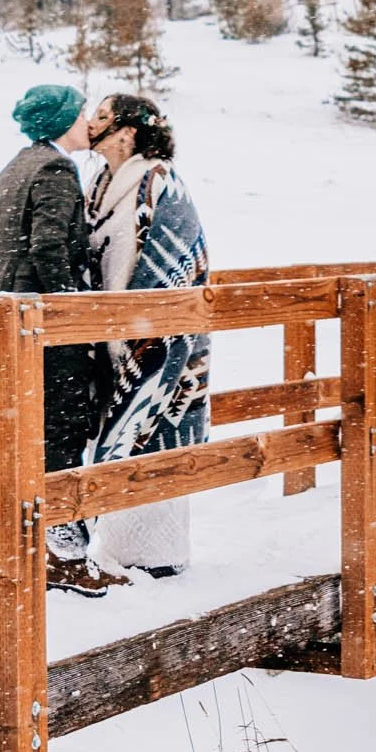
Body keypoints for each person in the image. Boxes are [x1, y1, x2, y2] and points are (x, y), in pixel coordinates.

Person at [0, 83, 128, 596]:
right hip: (42, 331)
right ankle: (62, 556)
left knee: (12, 431)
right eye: (83, 114)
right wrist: (68, 313)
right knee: (58, 430)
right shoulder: (57, 170)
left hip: (3, 324)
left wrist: (6, 293)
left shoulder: (10, 170)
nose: (89, 123)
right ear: (64, 121)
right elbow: (45, 248)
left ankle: (2, 553)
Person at [82, 93, 210, 578]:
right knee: (119, 440)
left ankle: (158, 559)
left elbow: (176, 262)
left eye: (100, 116)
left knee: (156, 434)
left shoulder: (160, 181)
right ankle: (117, 553)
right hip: (113, 337)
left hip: (159, 342)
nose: (89, 123)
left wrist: (145, 329)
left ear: (127, 132)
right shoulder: (99, 182)